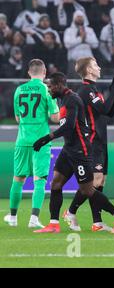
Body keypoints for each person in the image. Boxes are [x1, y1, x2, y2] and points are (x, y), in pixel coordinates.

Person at [32, 72, 114, 234]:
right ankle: (54, 224)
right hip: (68, 148)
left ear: (58, 85)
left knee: (87, 190)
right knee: (55, 183)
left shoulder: (73, 99)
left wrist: (47, 138)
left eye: (50, 87)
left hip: (80, 150)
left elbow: (69, 126)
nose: (48, 90)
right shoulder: (62, 99)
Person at [62, 57, 114, 232]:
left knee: (101, 180)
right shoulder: (86, 90)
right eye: (95, 65)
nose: (99, 67)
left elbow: (109, 112)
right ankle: (71, 211)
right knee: (94, 180)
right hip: (92, 141)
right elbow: (104, 109)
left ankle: (97, 222)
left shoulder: (94, 90)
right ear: (88, 70)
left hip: (101, 140)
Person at [3, 59, 59, 228]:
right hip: (40, 140)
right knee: (39, 179)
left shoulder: (19, 90)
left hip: (22, 140)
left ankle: (12, 217)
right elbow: (55, 118)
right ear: (44, 73)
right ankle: (34, 218)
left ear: (29, 72)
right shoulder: (46, 89)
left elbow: (18, 118)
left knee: (18, 178)